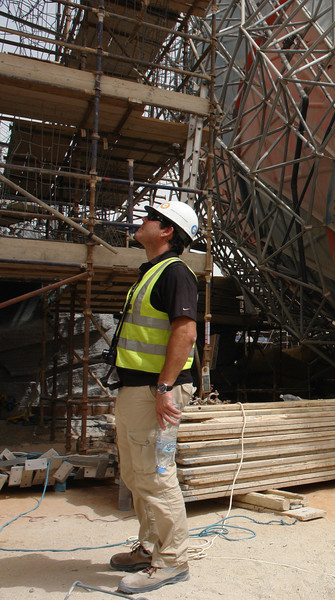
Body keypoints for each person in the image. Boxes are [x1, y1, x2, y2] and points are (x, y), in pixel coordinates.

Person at [108, 200, 199, 594]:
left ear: (166, 231)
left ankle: (172, 561)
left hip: (156, 392)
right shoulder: (152, 273)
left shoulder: (176, 273)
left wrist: (164, 387)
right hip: (136, 389)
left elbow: (185, 333)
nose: (139, 222)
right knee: (134, 472)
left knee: (157, 475)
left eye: (149, 218)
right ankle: (149, 548)